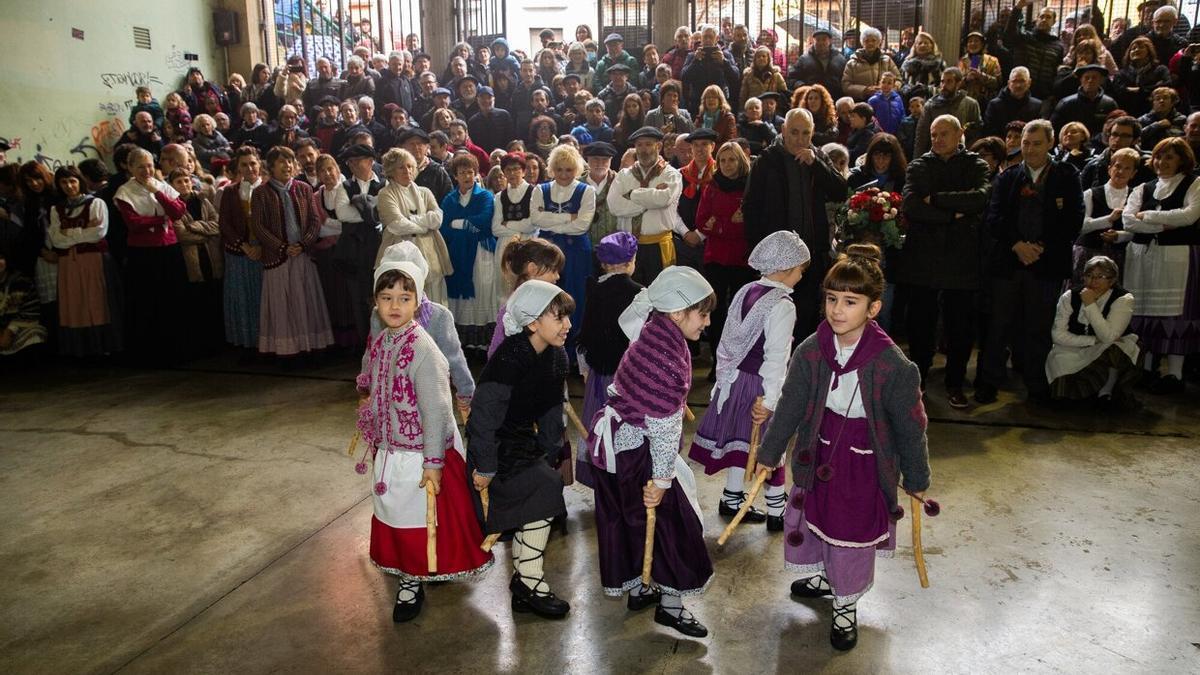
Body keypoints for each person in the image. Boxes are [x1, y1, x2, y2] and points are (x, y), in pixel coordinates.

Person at [755, 243, 931, 652]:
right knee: (817, 517)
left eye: (850, 302)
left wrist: (917, 478)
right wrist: (770, 451)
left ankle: (845, 603)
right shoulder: (812, 350)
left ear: (873, 308)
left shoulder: (893, 365)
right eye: (832, 299)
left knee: (849, 531)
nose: (837, 310)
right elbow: (791, 405)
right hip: (818, 451)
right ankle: (824, 576)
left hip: (863, 464)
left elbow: (910, 428)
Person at [357, 247, 491, 622]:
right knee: (394, 515)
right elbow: (376, 380)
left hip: (418, 455)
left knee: (418, 519)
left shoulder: (423, 349)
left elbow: (435, 411)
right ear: (376, 303)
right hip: (391, 450)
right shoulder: (384, 341)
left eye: (404, 297)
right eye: (386, 298)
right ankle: (407, 573)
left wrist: (433, 463)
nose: (395, 305)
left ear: (418, 301)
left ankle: (412, 581)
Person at [585, 266, 716, 637]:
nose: (706, 322)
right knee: (675, 526)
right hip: (636, 453)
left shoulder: (652, 329)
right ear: (677, 312)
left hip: (618, 446)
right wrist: (661, 480)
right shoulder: (668, 361)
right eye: (702, 313)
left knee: (632, 519)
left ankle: (643, 584)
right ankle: (670, 608)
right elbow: (663, 431)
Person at [467, 280, 574, 619]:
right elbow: (482, 417)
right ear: (532, 323)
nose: (568, 325)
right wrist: (484, 467)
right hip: (494, 446)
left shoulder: (556, 355)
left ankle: (525, 581)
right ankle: (529, 582)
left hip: (522, 442)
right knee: (544, 488)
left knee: (544, 487)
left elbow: (551, 409)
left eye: (567, 318)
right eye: (559, 318)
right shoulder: (510, 357)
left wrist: (550, 450)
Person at [689, 230, 809, 529]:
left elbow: (728, 339)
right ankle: (777, 511)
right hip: (759, 386)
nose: (801, 277)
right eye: (800, 271)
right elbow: (776, 358)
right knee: (771, 446)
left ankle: (732, 498)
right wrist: (770, 400)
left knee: (741, 443)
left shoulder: (746, 290)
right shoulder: (782, 304)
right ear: (786, 268)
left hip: (735, 380)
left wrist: (723, 377)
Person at [976, 120, 1085, 404]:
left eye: (1037, 143)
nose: (1030, 148)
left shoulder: (1066, 175)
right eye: (1026, 143)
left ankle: (1036, 383)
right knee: (999, 324)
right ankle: (989, 381)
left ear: (1050, 143)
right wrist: (1017, 245)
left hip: (1046, 264)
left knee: (1038, 326)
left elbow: (1073, 220)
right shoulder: (1008, 177)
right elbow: (994, 218)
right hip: (1009, 262)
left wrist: (1040, 247)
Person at [900, 115, 993, 407]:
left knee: (960, 327)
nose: (938, 139)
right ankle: (918, 381)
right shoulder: (919, 165)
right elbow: (912, 206)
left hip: (962, 261)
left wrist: (935, 198)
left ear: (960, 133)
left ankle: (955, 383)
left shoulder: (975, 165)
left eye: (944, 134)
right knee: (920, 326)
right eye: (933, 134)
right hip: (923, 260)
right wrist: (954, 215)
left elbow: (979, 199)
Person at [744, 108, 849, 338]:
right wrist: (759, 252)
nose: (800, 139)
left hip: (811, 255)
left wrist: (816, 165)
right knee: (775, 320)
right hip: (777, 260)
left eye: (806, 133)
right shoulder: (766, 161)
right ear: (783, 131)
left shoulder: (818, 156)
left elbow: (840, 191)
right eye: (794, 132)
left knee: (807, 316)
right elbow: (750, 209)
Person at [1122, 137, 1200, 395]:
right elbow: (1128, 221)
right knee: (1143, 312)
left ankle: (1174, 374)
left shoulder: (1194, 183)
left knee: (1174, 314)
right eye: (1158, 156)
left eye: (1169, 157)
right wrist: (1163, 224)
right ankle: (1145, 368)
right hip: (1143, 257)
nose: (1162, 162)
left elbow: (1189, 216)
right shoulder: (1144, 187)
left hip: (1175, 258)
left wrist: (1149, 216)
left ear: (1182, 160)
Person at [250, 146, 333, 356]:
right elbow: (259, 226)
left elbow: (314, 221)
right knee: (282, 305)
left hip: (303, 255)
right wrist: (283, 247)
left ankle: (311, 347)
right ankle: (288, 351)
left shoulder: (303, 188)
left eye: (289, 161)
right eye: (281, 161)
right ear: (270, 167)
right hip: (278, 258)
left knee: (306, 302)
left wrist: (303, 244)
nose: (287, 165)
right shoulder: (260, 193)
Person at [113, 148, 188, 364]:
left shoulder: (161, 185)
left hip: (169, 248)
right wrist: (160, 220)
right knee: (148, 301)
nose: (146, 170)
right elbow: (134, 224)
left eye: (149, 166)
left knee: (172, 300)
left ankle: (176, 349)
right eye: (140, 167)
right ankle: (151, 352)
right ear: (130, 168)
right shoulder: (124, 192)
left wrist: (156, 192)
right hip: (143, 253)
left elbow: (177, 212)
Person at [576, 231, 641, 458]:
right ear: (631, 262)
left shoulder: (594, 290)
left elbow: (585, 334)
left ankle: (600, 464)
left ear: (603, 264)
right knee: (624, 428)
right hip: (629, 380)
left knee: (599, 423)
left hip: (599, 373)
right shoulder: (640, 294)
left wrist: (584, 368)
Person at [1047, 255, 1140, 407]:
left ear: (1112, 280)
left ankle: (1106, 390)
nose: (1093, 281)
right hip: (1075, 346)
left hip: (1108, 346)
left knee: (1112, 349)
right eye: (1089, 276)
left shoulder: (1123, 299)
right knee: (1062, 393)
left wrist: (1090, 305)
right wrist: (1091, 340)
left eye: (1100, 277)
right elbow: (1057, 335)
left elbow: (1109, 336)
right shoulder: (1070, 296)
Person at [48, 166, 121, 357]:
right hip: (69, 264)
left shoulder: (95, 203)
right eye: (64, 182)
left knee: (96, 302)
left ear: (80, 181)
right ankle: (81, 348)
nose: (69, 186)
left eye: (72, 181)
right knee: (74, 304)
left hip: (93, 260)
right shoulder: (57, 209)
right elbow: (56, 240)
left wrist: (69, 233)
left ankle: (102, 346)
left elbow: (98, 232)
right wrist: (81, 233)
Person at [531, 145, 596, 356]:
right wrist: (570, 217)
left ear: (576, 169)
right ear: (552, 169)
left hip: (577, 252)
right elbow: (536, 219)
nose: (564, 174)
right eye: (559, 169)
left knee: (575, 298)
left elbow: (583, 225)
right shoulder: (541, 189)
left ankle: (574, 353)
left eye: (568, 169)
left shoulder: (586, 191)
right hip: (547, 254)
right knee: (547, 299)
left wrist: (550, 221)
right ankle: (547, 348)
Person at [607, 126, 686, 285]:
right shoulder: (624, 175)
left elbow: (664, 199)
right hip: (628, 247)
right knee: (630, 295)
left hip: (658, 247)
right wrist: (648, 201)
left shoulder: (671, 174)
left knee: (659, 294)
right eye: (639, 145)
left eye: (648, 144)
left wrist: (631, 194)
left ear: (659, 146)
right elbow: (614, 205)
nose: (644, 149)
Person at [440, 152, 497, 352]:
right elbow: (443, 227)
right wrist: (466, 226)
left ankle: (482, 342)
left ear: (475, 173)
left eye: (470, 172)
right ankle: (462, 340)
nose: (467, 176)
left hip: (481, 253)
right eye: (462, 172)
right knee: (460, 299)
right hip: (457, 254)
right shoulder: (449, 199)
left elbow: (483, 219)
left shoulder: (485, 196)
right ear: (455, 176)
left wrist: (460, 223)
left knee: (481, 292)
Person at [377, 147, 450, 304]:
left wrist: (411, 218)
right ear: (391, 170)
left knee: (434, 294)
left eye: (410, 166)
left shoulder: (425, 192)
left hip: (430, 251)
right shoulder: (385, 194)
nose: (407, 171)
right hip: (400, 253)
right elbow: (397, 225)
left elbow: (438, 219)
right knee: (405, 293)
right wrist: (425, 225)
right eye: (401, 167)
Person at [168, 168, 223, 353]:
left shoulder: (202, 200)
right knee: (197, 299)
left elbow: (217, 225)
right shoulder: (173, 206)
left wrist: (197, 226)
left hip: (211, 256)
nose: (184, 184)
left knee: (214, 296)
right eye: (179, 182)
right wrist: (206, 235)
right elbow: (182, 234)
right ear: (172, 185)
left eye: (186, 180)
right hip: (192, 259)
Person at [217, 147, 264, 350]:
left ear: (259, 164)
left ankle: (268, 343)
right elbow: (224, 223)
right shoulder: (230, 191)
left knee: (264, 300)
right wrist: (244, 246)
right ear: (238, 168)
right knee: (243, 299)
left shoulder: (269, 188)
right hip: (240, 253)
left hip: (265, 253)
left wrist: (262, 246)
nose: (249, 168)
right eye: (244, 164)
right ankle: (247, 345)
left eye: (253, 163)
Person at [914, 68, 982, 157]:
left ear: (958, 83)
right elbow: (921, 137)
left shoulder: (970, 104)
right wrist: (917, 162)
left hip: (961, 157)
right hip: (935, 158)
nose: (944, 85)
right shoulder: (930, 106)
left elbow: (975, 134)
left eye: (949, 81)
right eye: (942, 82)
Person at [1005, 0, 1066, 99]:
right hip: (1020, 91)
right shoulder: (1025, 38)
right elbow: (1009, 35)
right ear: (1036, 19)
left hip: (1043, 95)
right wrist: (1018, 8)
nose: (1044, 19)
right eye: (1041, 17)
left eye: (1048, 17)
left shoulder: (1058, 46)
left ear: (1054, 22)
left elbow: (1055, 71)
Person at [0, 242, 47, 362]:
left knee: (36, 334)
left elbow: (26, 311)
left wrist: (10, 330)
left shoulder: (19, 281)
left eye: (1, 258)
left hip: (18, 328)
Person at [1051, 64, 1118, 142]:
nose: (1090, 80)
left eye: (1094, 77)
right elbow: (1054, 129)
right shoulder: (1066, 103)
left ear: (1101, 80)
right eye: (1086, 78)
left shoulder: (1110, 104)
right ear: (1081, 80)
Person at [681, 25, 740, 113]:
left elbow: (736, 76)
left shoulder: (726, 55)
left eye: (711, 37)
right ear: (701, 39)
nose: (708, 40)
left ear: (716, 39)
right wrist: (695, 61)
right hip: (698, 102)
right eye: (705, 37)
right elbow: (684, 77)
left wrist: (724, 62)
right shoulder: (692, 56)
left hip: (720, 102)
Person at [841, 27, 901, 102]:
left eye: (873, 40)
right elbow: (846, 85)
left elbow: (898, 79)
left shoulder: (887, 60)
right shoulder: (852, 63)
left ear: (879, 42)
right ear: (862, 43)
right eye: (867, 40)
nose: (870, 43)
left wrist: (888, 90)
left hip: (885, 102)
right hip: (861, 103)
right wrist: (865, 90)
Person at [983, 67, 1042, 138]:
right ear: (1009, 83)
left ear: (1029, 83)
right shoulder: (995, 105)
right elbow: (989, 132)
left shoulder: (1037, 106)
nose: (1018, 85)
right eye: (1014, 81)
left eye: (1022, 81)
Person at [582, 142, 620, 247]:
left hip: (613, 245)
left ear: (611, 160)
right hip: (585, 246)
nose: (600, 164)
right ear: (587, 160)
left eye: (605, 160)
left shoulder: (619, 182)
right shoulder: (577, 185)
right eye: (595, 159)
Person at [789, 27, 846, 97]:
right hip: (811, 99)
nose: (821, 42)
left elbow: (845, 80)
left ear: (830, 41)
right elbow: (792, 78)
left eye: (824, 39)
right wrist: (802, 86)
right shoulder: (803, 59)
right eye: (818, 39)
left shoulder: (840, 59)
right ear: (813, 41)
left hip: (835, 98)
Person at [900, 31, 946, 101]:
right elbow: (901, 83)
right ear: (915, 46)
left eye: (926, 43)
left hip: (933, 102)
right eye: (920, 43)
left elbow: (944, 87)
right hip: (910, 103)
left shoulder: (939, 64)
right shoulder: (907, 64)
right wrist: (908, 90)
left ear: (932, 45)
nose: (923, 45)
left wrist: (928, 90)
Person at [959, 31, 1002, 104]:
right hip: (966, 102)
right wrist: (966, 79)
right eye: (970, 41)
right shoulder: (961, 62)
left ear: (982, 44)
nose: (973, 43)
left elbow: (998, 83)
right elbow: (956, 84)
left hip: (986, 101)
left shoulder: (992, 61)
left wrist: (981, 76)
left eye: (976, 41)